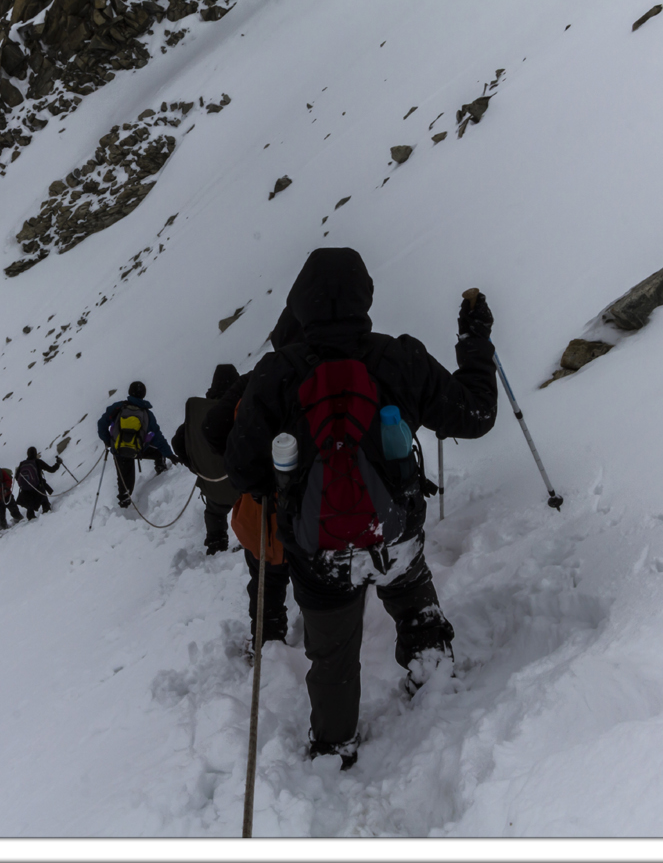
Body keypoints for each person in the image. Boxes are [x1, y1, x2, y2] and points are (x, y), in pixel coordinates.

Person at [224, 247, 497, 769]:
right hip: (394, 530)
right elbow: (477, 413)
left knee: (332, 657)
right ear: (365, 296)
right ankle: (432, 674)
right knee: (411, 594)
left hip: (318, 549)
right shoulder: (398, 358)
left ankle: (334, 746)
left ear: (299, 302)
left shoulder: (276, 373)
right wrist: (475, 342)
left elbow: (241, 469)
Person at [200, 307, 304, 653]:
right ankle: (322, 642)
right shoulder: (337, 370)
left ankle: (268, 642)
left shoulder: (257, 378)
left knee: (266, 581)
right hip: (324, 507)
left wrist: (246, 468)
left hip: (265, 510)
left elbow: (213, 429)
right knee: (319, 580)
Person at [171, 364, 242, 555]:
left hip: (213, 484)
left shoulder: (199, 411)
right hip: (241, 486)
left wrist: (196, 466)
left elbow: (177, 441)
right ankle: (250, 538)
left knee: (215, 512)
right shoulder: (239, 408)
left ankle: (216, 544)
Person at [97, 381, 178, 509]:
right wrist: (170, 455)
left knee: (125, 480)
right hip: (139, 449)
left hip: (119, 449)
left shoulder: (118, 408)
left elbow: (101, 423)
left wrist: (108, 441)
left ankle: (124, 505)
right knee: (157, 452)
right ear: (143, 394)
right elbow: (158, 438)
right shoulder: (147, 414)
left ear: (129, 392)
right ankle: (161, 469)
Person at [15, 446, 62, 520]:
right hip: (38, 487)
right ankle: (46, 509)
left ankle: (30, 516)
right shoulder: (38, 462)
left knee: (30, 504)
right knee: (43, 495)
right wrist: (58, 463)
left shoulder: (22, 463)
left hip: (25, 490)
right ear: (35, 453)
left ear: (27, 454)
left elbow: (16, 476)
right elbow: (51, 469)